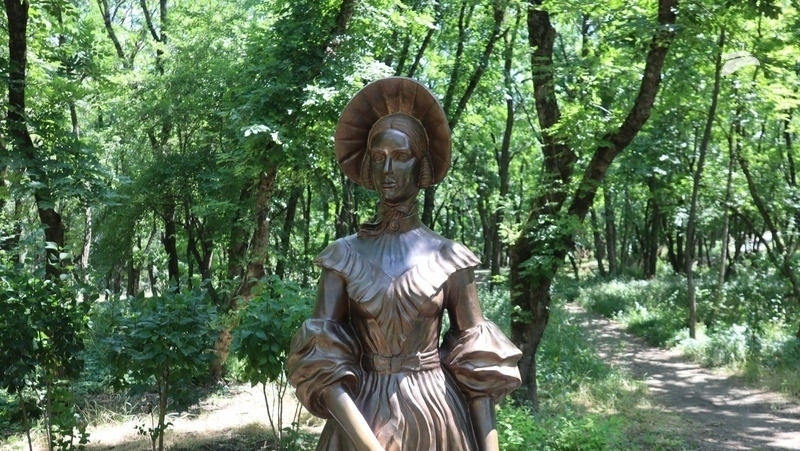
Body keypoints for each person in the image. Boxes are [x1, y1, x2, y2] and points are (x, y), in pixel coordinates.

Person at [287, 77, 521, 451]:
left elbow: (478, 367)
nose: (387, 169)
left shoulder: (451, 258)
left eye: (400, 157)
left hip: (437, 418)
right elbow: (322, 363)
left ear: (421, 165)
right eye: (378, 157)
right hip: (362, 417)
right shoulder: (342, 257)